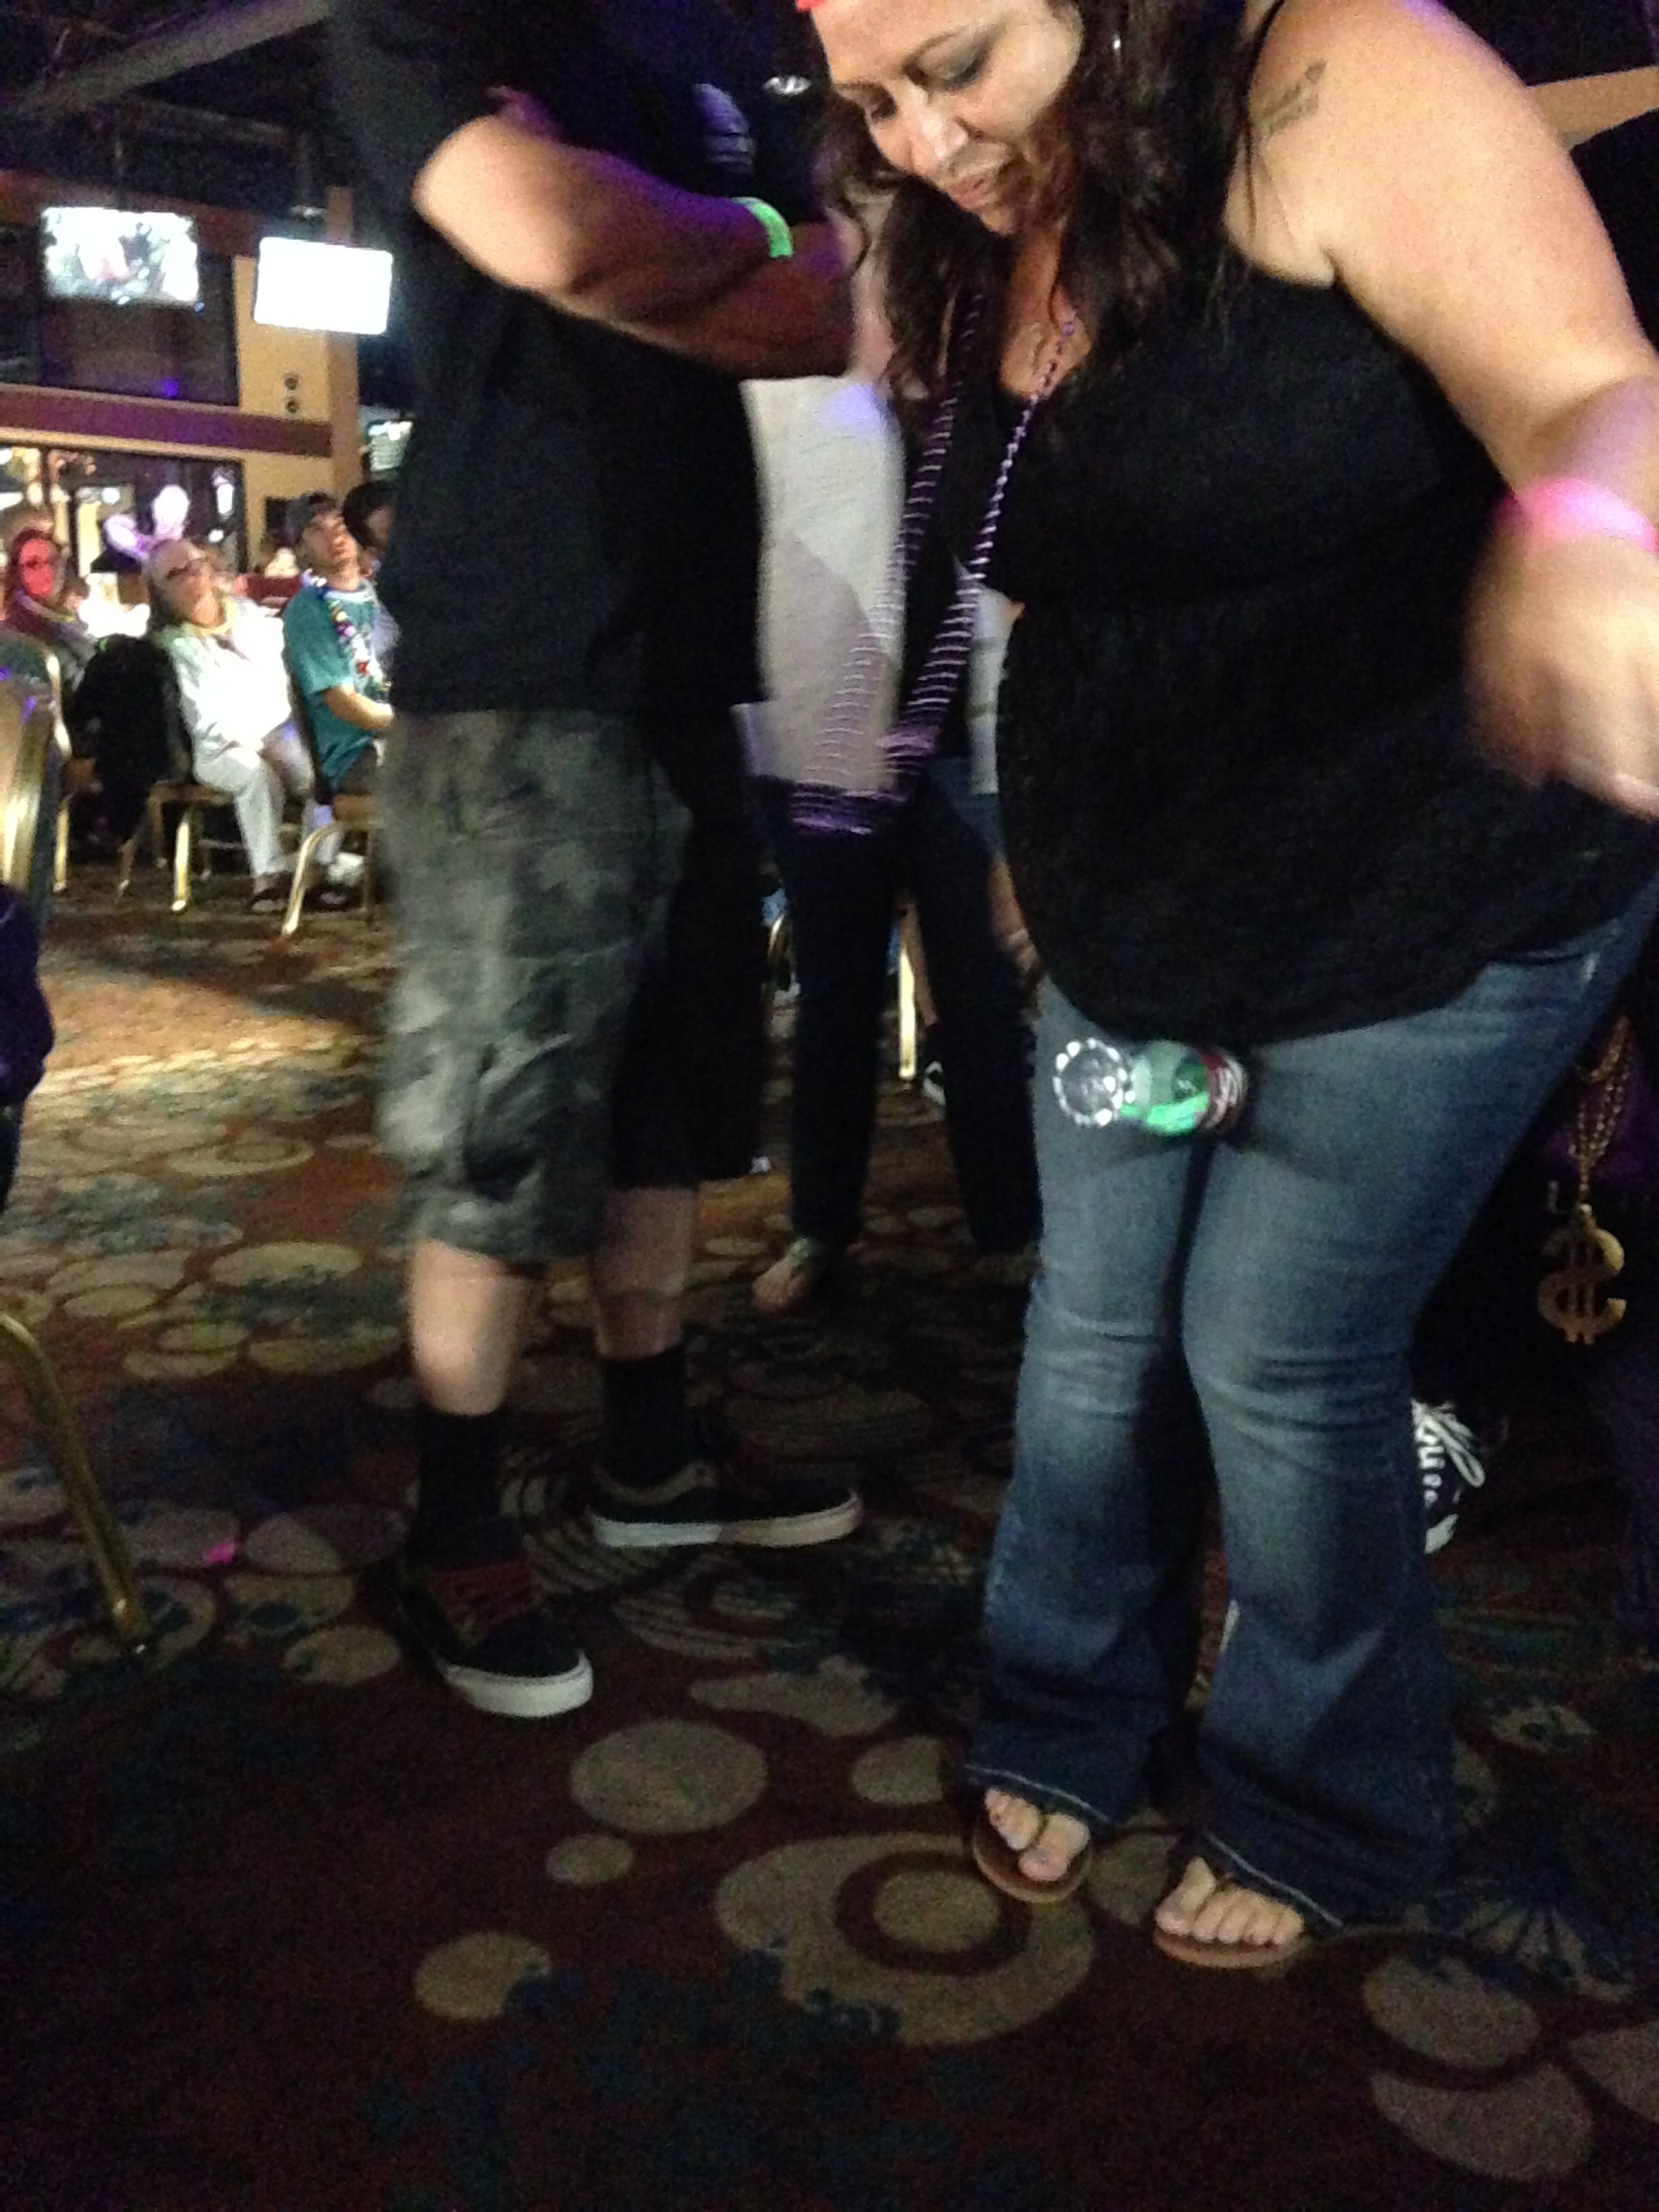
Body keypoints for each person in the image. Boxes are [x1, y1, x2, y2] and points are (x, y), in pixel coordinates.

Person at [806, 0, 1659, 1965]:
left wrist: (1586, 528)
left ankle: (1324, 1793)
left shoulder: (1334, 72)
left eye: (952, 64)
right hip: (1144, 893)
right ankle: (1066, 1713)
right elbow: (1065, 568)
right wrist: (1049, 820)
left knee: (1271, 1350)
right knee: (1095, 1331)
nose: (915, 144)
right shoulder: (964, 222)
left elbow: (1592, 390)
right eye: (863, 100)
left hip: (1430, 870)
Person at [332, 0, 858, 1722]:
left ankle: (648, 1449)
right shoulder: (417, 15)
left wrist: (661, 239)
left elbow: (824, 309)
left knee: (676, 1101)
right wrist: (721, 234)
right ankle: (454, 1522)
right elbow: (548, 232)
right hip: (514, 653)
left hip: (689, 657)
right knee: (500, 1120)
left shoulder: (729, 28)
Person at [743, 348, 1039, 1310]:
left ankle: (1010, 1227)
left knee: (982, 995)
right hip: (827, 734)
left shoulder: (993, 374)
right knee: (836, 996)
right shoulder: (784, 379)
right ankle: (821, 1226)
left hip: (965, 738)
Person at [146, 538, 338, 914]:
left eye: (195, 564)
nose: (191, 576)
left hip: (277, 729)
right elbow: (204, 717)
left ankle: (317, 869)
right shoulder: (171, 645)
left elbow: (280, 676)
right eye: (176, 574)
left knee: (324, 776)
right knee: (256, 776)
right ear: (160, 590)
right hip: (219, 748)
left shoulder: (247, 613)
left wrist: (277, 734)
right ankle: (267, 877)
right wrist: (255, 740)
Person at [280, 491, 390, 798]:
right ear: (301, 548)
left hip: (410, 737)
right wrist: (411, 721)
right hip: (358, 756)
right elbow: (345, 703)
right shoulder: (308, 610)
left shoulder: (384, 592)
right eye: (318, 530)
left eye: (339, 524)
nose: (335, 537)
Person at [4, 526, 96, 691]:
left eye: (54, 561)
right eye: (33, 564)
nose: (47, 570)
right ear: (18, 574)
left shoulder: (74, 617)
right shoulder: (17, 640)